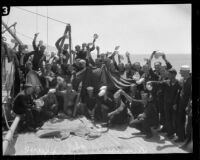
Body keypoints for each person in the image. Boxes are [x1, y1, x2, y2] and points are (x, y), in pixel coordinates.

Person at [148, 68, 182, 139]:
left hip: (174, 105)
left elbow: (179, 94)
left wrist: (176, 103)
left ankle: (173, 133)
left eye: (170, 74)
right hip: (166, 104)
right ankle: (170, 133)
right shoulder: (166, 82)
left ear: (174, 75)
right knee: (168, 119)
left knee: (173, 119)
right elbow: (159, 83)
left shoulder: (178, 83)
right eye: (168, 74)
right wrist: (151, 82)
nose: (168, 75)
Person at [175, 65, 192, 142]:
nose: (180, 72)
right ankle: (181, 137)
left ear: (186, 72)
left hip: (188, 104)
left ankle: (187, 139)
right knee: (180, 120)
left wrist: (188, 106)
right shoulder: (183, 80)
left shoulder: (190, 81)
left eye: (181, 71)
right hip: (181, 103)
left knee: (189, 123)